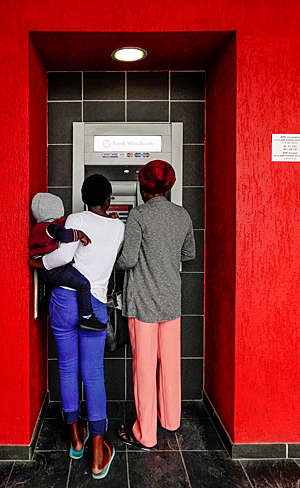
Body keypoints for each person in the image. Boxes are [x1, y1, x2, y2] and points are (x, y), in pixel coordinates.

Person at [31, 175, 124, 479]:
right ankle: (98, 453)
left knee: (67, 368)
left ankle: (75, 439)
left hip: (62, 301)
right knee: (92, 372)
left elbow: (62, 256)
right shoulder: (118, 226)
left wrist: (40, 264)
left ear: (83, 197)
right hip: (93, 303)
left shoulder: (73, 218)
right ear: (109, 199)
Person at [116, 160, 196, 449]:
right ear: (169, 186)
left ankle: (145, 433)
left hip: (144, 304)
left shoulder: (138, 216)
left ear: (143, 186)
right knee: (170, 365)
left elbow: (129, 260)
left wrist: (115, 256)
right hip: (171, 301)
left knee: (145, 369)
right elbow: (189, 254)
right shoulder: (182, 215)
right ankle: (171, 420)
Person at [29, 192, 108, 331]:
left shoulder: (38, 228)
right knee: (83, 284)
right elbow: (64, 235)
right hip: (52, 268)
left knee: (52, 287)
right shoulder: (49, 227)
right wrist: (80, 234)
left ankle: (45, 305)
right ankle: (87, 317)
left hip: (44, 270)